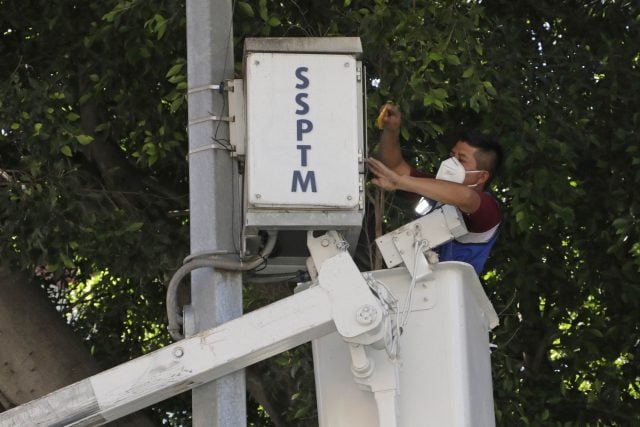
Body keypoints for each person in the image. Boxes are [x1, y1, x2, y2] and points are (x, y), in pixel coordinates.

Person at [367, 103, 503, 275]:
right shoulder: (434, 190)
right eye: (452, 155)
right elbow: (395, 167)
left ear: (482, 176)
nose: (451, 163)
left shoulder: (489, 210)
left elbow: (467, 197)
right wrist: (391, 129)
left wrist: (402, 182)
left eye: (461, 160)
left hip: (453, 293)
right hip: (417, 288)